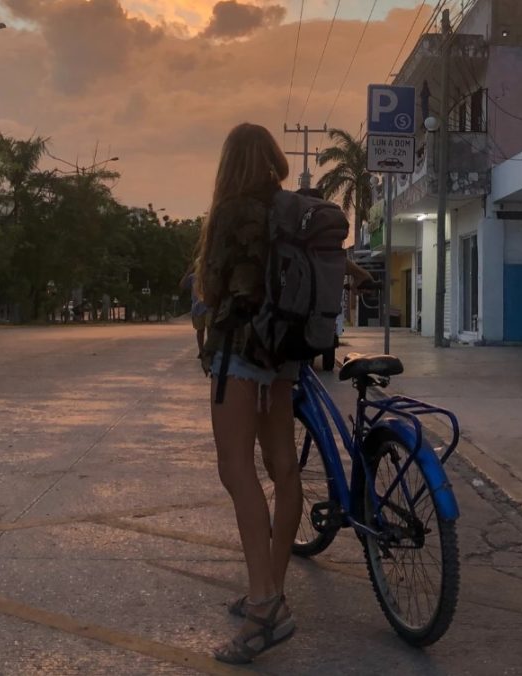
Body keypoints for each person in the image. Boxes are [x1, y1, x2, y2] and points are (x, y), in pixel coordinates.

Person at [195, 123, 299, 664]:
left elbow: (217, 288)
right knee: (283, 466)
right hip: (285, 352)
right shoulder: (289, 209)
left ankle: (264, 605)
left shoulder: (235, 210)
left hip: (241, 349)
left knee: (235, 467)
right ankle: (272, 587)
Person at [293, 187, 374, 371]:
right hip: (321, 319)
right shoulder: (325, 247)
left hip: (292, 321)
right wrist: (359, 274)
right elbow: (334, 258)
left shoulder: (293, 235)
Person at [180, 266, 209, 354]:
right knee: (200, 330)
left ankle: (211, 350)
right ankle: (201, 350)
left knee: (211, 329)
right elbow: (182, 285)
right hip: (197, 307)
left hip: (209, 306)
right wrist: (187, 272)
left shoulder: (210, 275)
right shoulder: (193, 277)